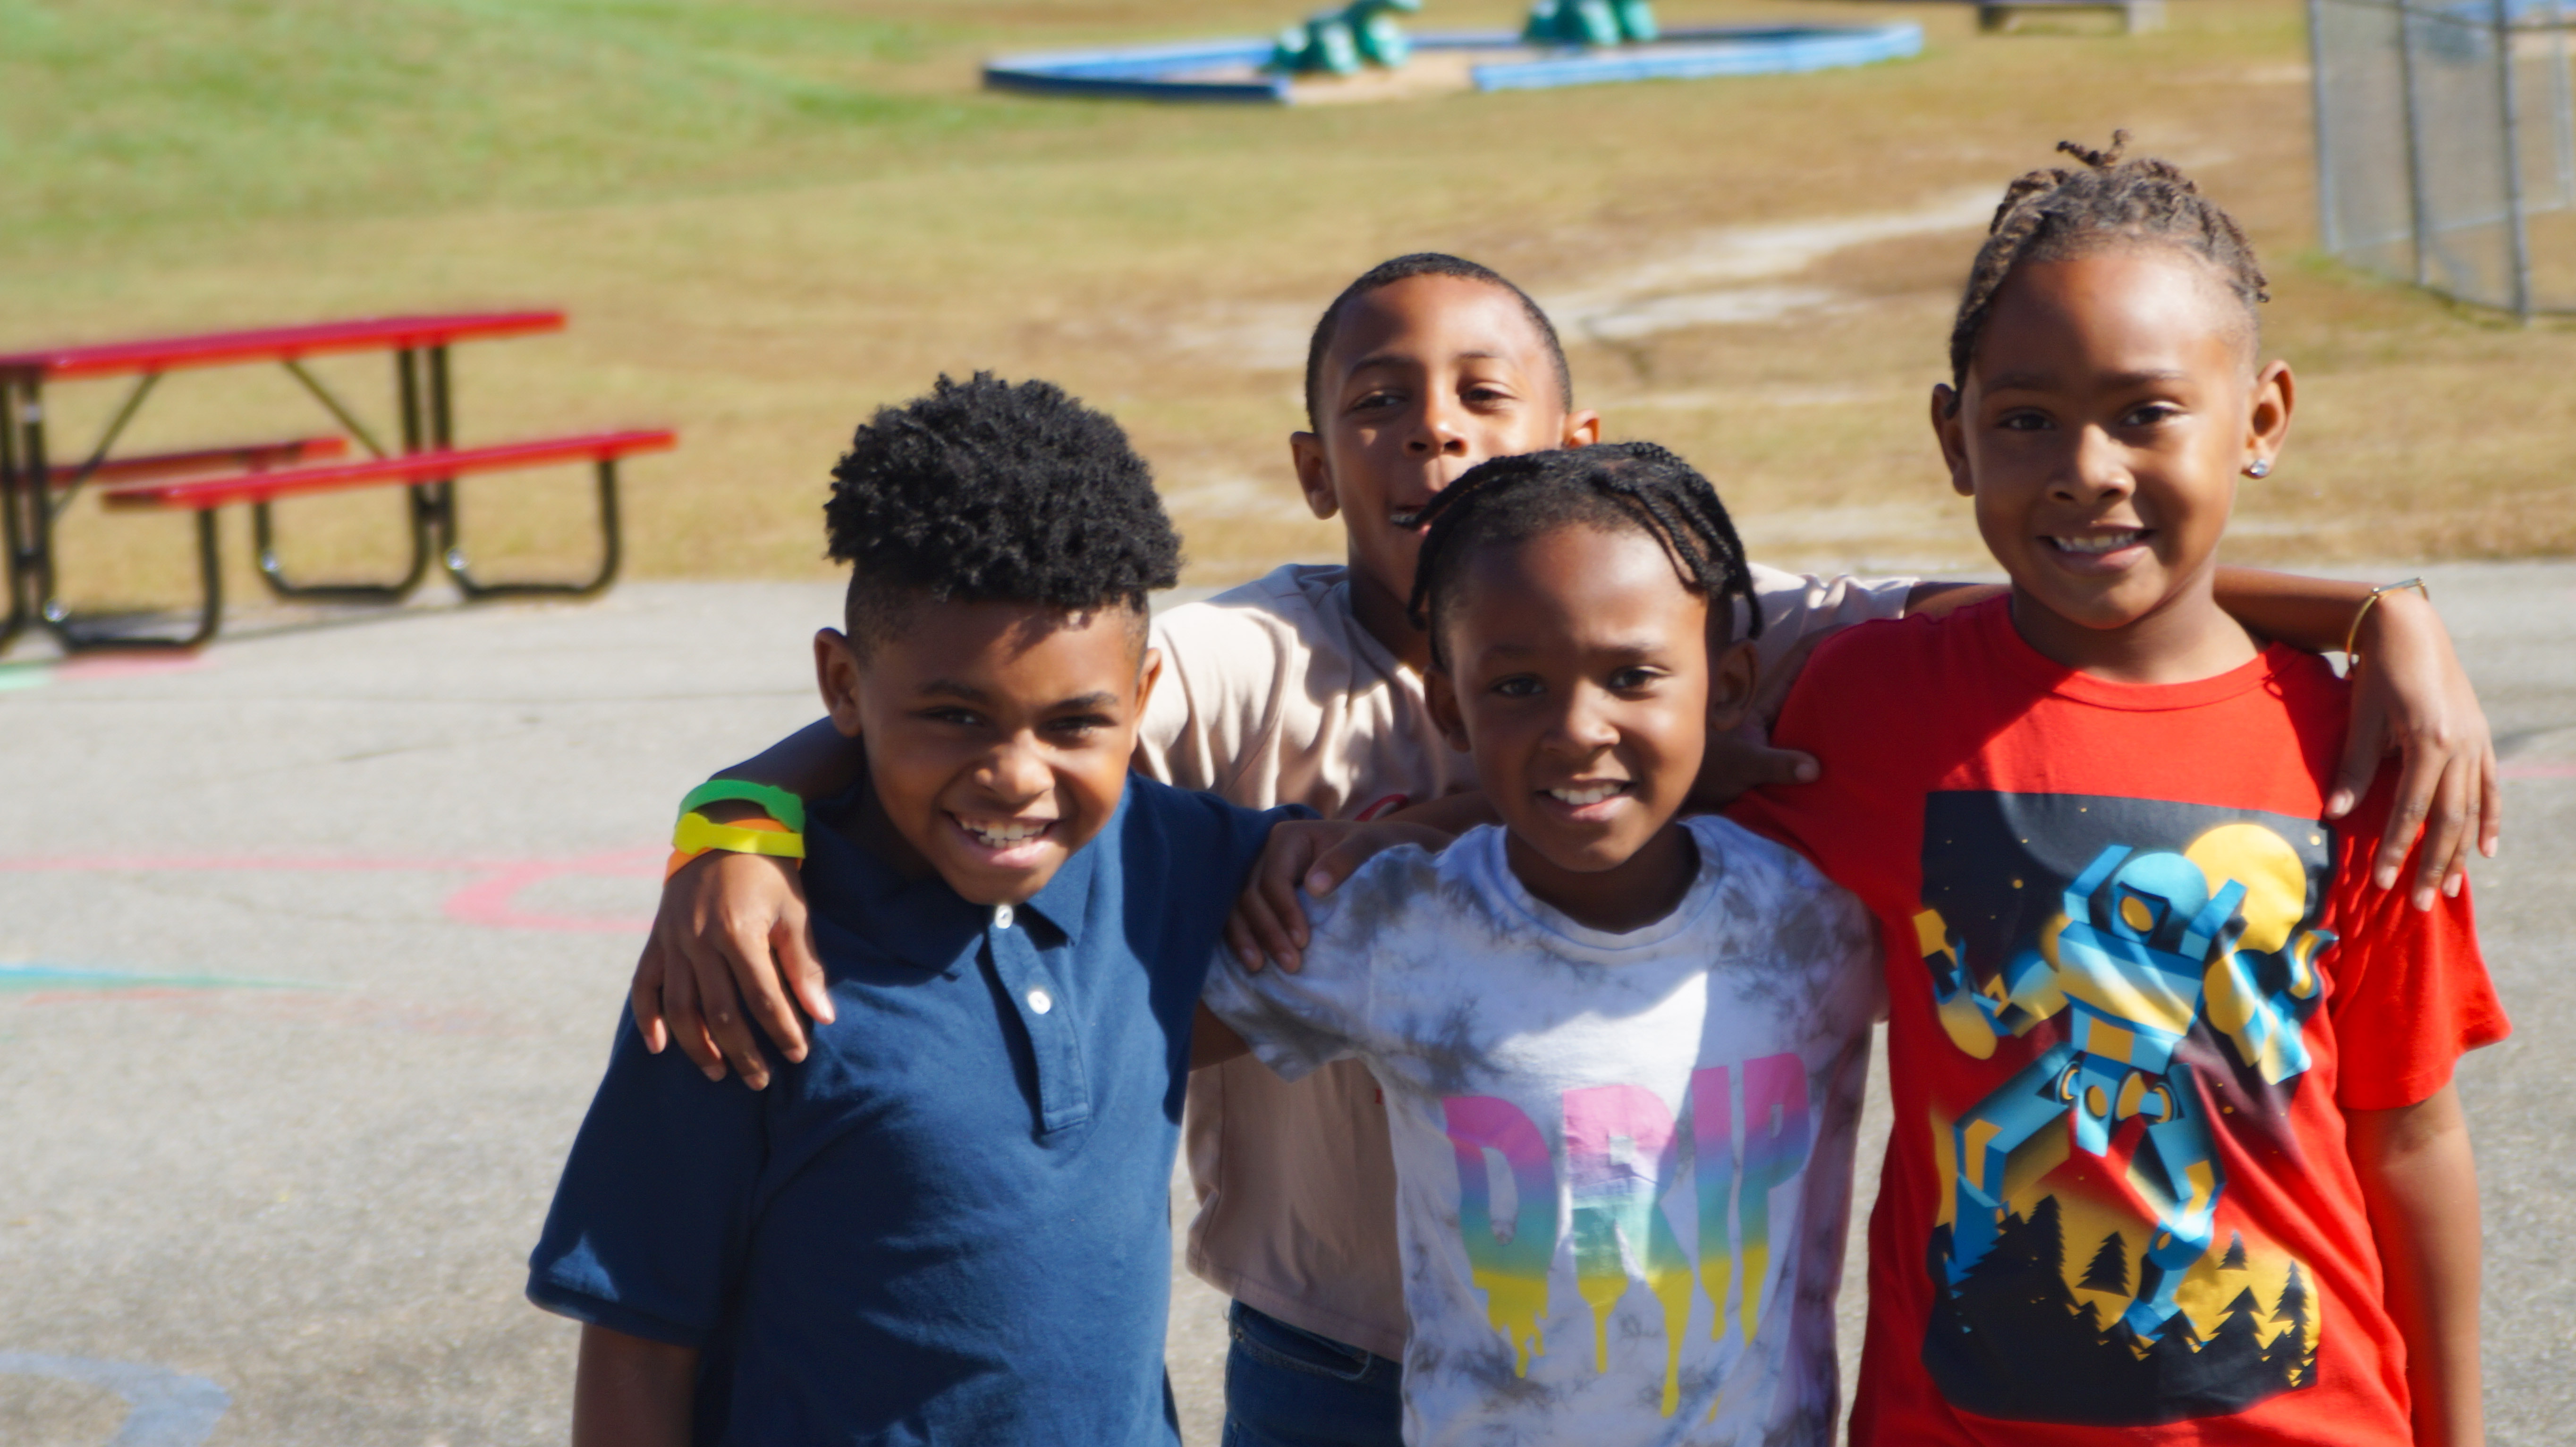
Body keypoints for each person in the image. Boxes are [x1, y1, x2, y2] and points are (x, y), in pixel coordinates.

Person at [623, 253, 2499, 1447]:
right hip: (1321, 1355)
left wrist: (2367, 614)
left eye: (1476, 397)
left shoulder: (1755, 770)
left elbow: (2040, 580)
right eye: (1375, 400)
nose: (1427, 432)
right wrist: (740, 818)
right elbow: (997, 689)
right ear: (1317, 468)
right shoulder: (1239, 677)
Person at [1720, 136, 2509, 1445]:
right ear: (1953, 436)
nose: (2086, 468)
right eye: (2026, 419)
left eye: (2146, 413)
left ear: (2261, 421)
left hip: (2313, 1425)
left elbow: (2411, 1138)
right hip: (1956, 1422)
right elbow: (1595, 750)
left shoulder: (2363, 749)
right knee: (1992, 1166)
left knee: (2186, 1215)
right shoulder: (1864, 709)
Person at [524, 374, 1305, 1446]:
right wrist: (728, 827)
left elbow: (1391, 857)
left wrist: (733, 806)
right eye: (954, 715)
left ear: (1146, 692)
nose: (1014, 777)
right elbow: (637, 1340)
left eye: (1075, 723)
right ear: (842, 684)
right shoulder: (745, 965)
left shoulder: (1168, 856)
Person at [1195, 441, 1884, 1447]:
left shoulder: (1819, 912)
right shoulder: (1395, 924)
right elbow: (1113, 1046)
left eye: (1633, 674)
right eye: (1518, 685)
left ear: (1726, 684)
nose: (1578, 727)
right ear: (1447, 701)